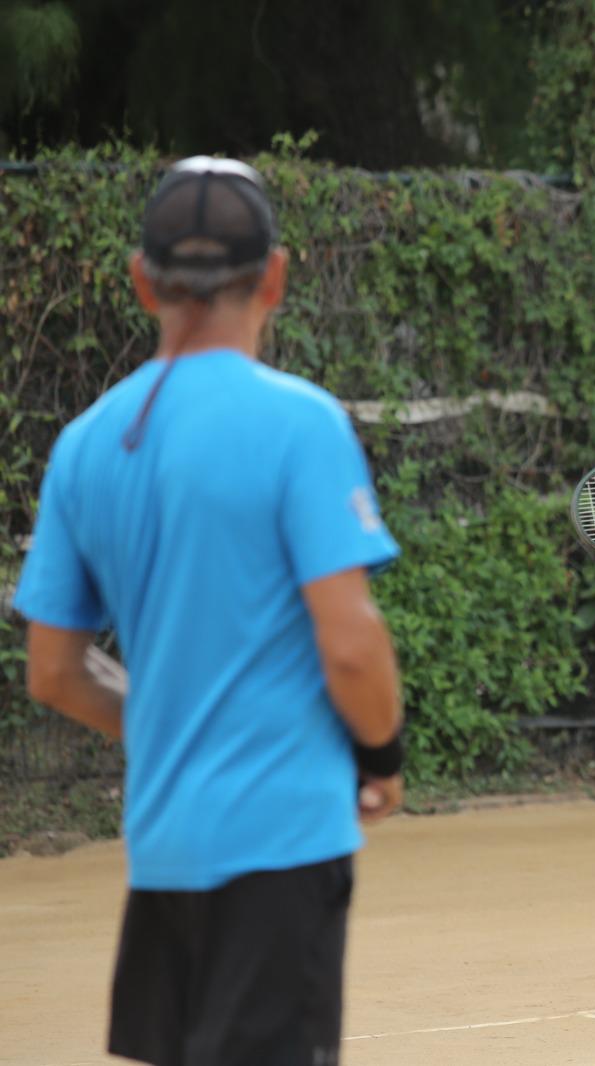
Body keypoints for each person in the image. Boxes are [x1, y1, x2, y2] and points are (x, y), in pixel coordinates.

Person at [12, 156, 405, 1065]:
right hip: (282, 846)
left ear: (141, 282)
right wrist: (379, 754)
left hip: (163, 853)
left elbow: (54, 673)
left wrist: (165, 722)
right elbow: (350, 642)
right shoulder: (301, 423)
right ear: (274, 274)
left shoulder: (82, 446)